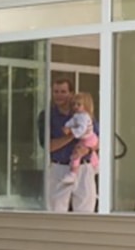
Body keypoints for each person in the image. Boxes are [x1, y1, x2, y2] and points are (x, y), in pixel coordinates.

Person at [37, 78, 97, 212]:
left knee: (86, 212)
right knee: (56, 211)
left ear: (71, 93)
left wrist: (87, 149)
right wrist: (71, 136)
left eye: (63, 91)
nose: (59, 95)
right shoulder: (47, 116)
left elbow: (98, 141)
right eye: (56, 92)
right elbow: (48, 146)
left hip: (83, 167)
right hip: (59, 168)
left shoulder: (84, 113)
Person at [62, 92, 99, 185]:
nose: (75, 106)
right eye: (74, 104)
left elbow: (82, 129)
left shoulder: (84, 117)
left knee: (77, 153)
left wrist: (72, 132)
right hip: (86, 139)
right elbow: (72, 121)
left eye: (79, 104)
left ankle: (73, 173)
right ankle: (96, 164)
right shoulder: (77, 115)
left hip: (89, 139)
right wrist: (67, 126)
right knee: (83, 151)